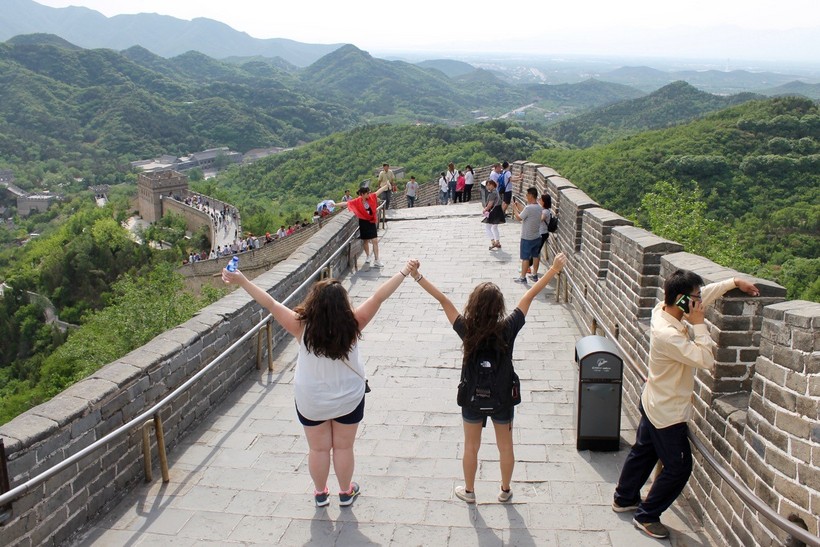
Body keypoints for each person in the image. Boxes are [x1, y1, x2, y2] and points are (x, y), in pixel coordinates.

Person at [222, 260, 417, 508]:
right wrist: (403, 272)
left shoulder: (301, 326)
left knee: (319, 450)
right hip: (348, 397)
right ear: (343, 305)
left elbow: (269, 303)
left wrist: (242, 280)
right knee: (344, 447)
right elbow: (379, 297)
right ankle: (345, 492)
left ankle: (320, 494)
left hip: (311, 400)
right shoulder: (354, 323)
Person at [407, 253, 567, 504]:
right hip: (502, 397)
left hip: (472, 395)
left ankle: (469, 492)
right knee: (506, 446)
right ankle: (505, 490)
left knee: (471, 446)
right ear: (499, 307)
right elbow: (529, 295)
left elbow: (442, 299)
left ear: (473, 305)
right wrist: (554, 269)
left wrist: (416, 275)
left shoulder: (466, 328)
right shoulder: (508, 327)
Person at [612, 270, 759, 539]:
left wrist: (733, 283)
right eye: (695, 298)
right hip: (668, 412)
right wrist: (700, 324)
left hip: (653, 399)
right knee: (679, 468)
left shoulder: (662, 308)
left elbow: (702, 297)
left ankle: (624, 498)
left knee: (644, 451)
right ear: (682, 300)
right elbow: (705, 358)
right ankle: (646, 516)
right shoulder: (669, 334)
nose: (700, 302)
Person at [346, 185, 388, 267]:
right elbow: (347, 203)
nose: (369, 194)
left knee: (375, 240)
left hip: (371, 221)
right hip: (363, 222)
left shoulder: (371, 197)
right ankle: (368, 256)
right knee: (365, 241)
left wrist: (386, 185)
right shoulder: (357, 201)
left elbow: (378, 192)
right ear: (362, 194)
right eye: (367, 193)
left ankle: (377, 260)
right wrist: (334, 205)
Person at [512, 187, 542, 284]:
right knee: (535, 256)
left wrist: (514, 209)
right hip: (537, 236)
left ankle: (523, 277)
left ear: (530, 195)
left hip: (527, 237)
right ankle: (534, 275)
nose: (526, 196)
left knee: (525, 258)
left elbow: (519, 218)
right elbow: (527, 213)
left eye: (527, 194)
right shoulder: (539, 207)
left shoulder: (529, 208)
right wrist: (519, 207)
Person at [530, 194, 553, 281]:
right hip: (539, 233)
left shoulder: (545, 212)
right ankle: (530, 268)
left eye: (540, 199)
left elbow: (540, 219)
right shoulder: (542, 209)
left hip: (542, 234)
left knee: (536, 253)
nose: (539, 200)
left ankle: (534, 274)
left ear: (543, 201)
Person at [481, 179, 505, 250]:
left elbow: (490, 204)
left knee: (488, 227)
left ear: (492, 185)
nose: (487, 187)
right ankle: (497, 242)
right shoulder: (496, 191)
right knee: (494, 227)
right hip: (498, 210)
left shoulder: (492, 194)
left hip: (493, 211)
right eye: (487, 185)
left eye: (489, 185)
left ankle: (493, 242)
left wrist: (485, 209)